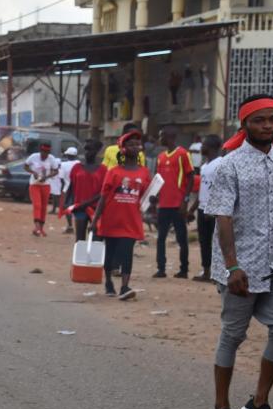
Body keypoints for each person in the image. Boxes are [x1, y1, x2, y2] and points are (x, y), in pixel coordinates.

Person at [205, 94, 273, 409]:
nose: (267, 126)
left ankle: (259, 401)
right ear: (245, 124)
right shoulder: (229, 165)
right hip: (241, 267)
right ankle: (220, 408)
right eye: (259, 120)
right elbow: (223, 218)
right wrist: (232, 265)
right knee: (233, 335)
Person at [91, 130, 154, 301]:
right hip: (111, 219)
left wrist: (153, 203)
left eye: (137, 144)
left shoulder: (144, 173)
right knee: (110, 253)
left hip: (131, 220)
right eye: (131, 144)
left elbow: (148, 195)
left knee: (126, 253)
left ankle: (125, 286)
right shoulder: (114, 172)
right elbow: (103, 197)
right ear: (123, 148)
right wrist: (95, 219)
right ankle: (109, 282)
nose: (135, 147)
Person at [153, 125, 194, 278]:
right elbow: (158, 179)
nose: (159, 139)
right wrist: (155, 196)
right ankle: (161, 268)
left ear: (169, 136)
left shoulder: (183, 153)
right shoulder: (161, 156)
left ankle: (184, 269)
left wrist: (186, 199)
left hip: (178, 204)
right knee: (161, 237)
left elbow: (190, 176)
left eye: (161, 136)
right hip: (163, 204)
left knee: (181, 238)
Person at [188, 134, 223, 282]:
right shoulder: (204, 166)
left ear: (211, 147)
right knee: (204, 242)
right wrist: (192, 208)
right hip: (202, 209)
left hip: (215, 211)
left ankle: (218, 273)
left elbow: (222, 189)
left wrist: (215, 209)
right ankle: (206, 271)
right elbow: (203, 190)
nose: (201, 148)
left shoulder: (221, 164)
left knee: (218, 243)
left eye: (204, 145)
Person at [63, 140, 107, 242]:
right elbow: (72, 185)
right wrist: (67, 202)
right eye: (86, 150)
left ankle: (95, 258)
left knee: (96, 239)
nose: (87, 153)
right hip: (80, 208)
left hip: (96, 209)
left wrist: (87, 202)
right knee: (79, 239)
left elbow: (104, 192)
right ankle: (79, 258)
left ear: (97, 152)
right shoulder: (77, 167)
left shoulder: (103, 170)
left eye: (90, 150)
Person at [24, 142, 60, 237]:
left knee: (44, 207)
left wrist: (47, 176)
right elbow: (25, 166)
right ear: (40, 150)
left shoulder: (52, 159)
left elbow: (56, 171)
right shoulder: (33, 157)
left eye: (47, 152)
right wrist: (33, 172)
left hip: (46, 185)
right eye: (44, 151)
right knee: (37, 205)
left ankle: (41, 228)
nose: (45, 154)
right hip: (34, 184)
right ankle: (37, 228)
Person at [57, 146, 80, 234]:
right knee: (78, 207)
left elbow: (61, 179)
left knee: (67, 207)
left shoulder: (63, 165)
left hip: (67, 188)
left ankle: (70, 226)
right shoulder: (79, 163)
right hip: (78, 189)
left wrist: (62, 190)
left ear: (67, 155)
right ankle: (79, 226)